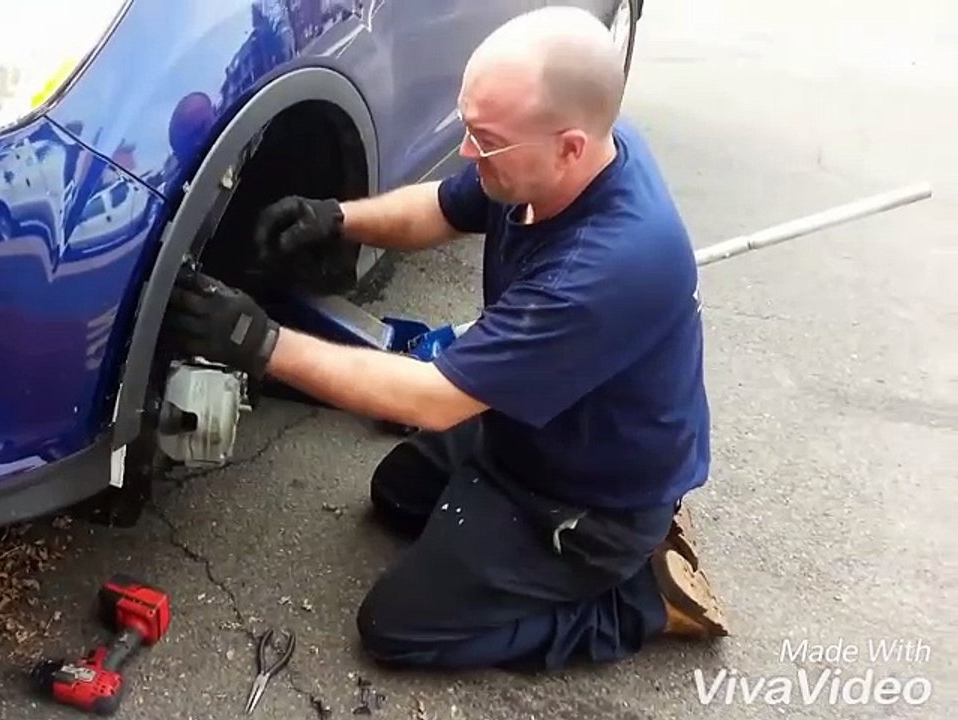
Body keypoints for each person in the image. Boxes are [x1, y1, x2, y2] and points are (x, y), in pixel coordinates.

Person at [162, 6, 729, 672]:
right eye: (470, 128)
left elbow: (434, 400)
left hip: (590, 496)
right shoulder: (558, 151)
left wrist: (260, 343)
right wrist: (336, 218)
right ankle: (523, 543)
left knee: (398, 629)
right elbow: (440, 208)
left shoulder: (606, 266)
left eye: (483, 140)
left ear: (570, 146)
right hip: (531, 425)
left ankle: (637, 599)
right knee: (396, 496)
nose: (468, 151)